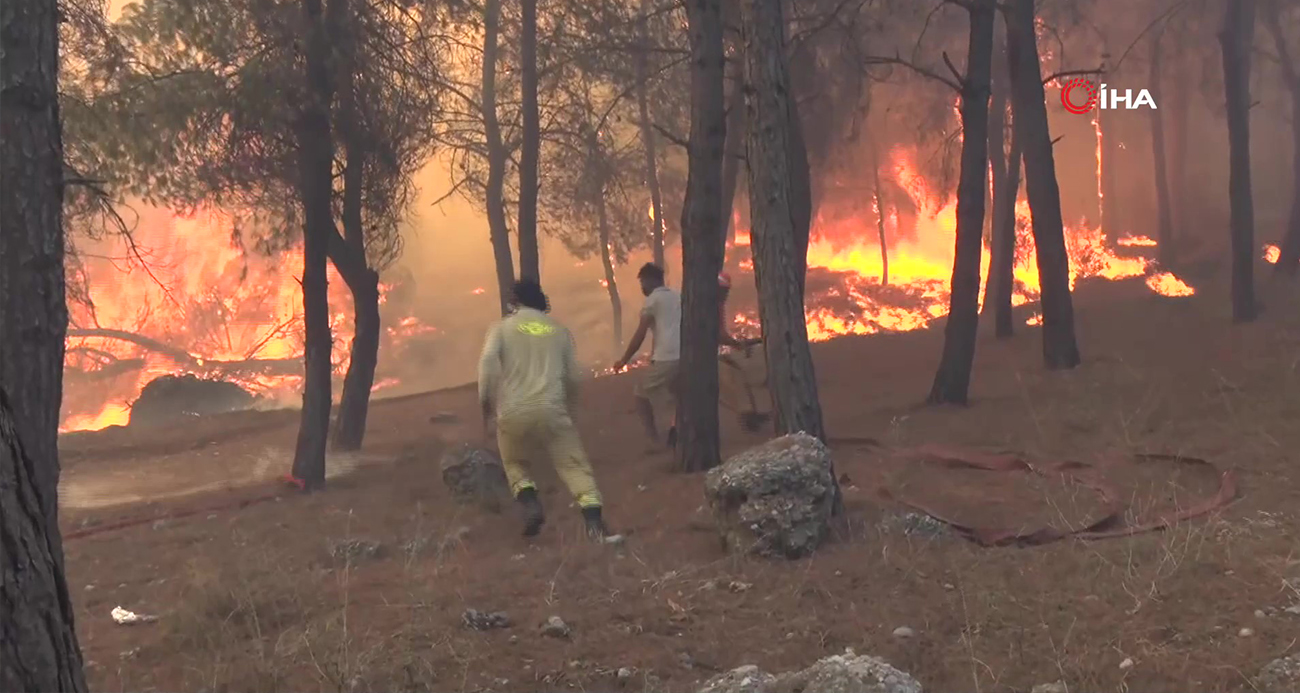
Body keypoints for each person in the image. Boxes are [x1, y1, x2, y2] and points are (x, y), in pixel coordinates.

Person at [478, 279, 609, 540]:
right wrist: (569, 411)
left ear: (514, 302)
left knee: (514, 462)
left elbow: (487, 365)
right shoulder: (560, 332)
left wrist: (486, 406)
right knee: (574, 466)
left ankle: (530, 502)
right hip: (552, 408)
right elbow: (573, 377)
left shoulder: (501, 329)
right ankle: (593, 524)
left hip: (514, 410)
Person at [613, 263, 680, 450]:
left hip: (667, 357)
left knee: (641, 394)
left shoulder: (652, 300)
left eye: (642, 282)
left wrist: (624, 359)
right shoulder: (678, 296)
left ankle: (654, 441)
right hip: (686, 354)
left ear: (650, 281)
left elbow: (640, 333)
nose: (642, 287)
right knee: (677, 393)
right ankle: (677, 430)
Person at [715, 272, 771, 431]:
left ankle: (749, 414)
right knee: (732, 379)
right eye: (722, 291)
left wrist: (738, 344)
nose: (725, 294)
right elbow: (718, 335)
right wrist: (738, 345)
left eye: (726, 291)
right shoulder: (710, 305)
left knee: (737, 376)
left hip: (709, 354)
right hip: (699, 357)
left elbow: (721, 335)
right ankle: (748, 416)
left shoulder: (717, 305)